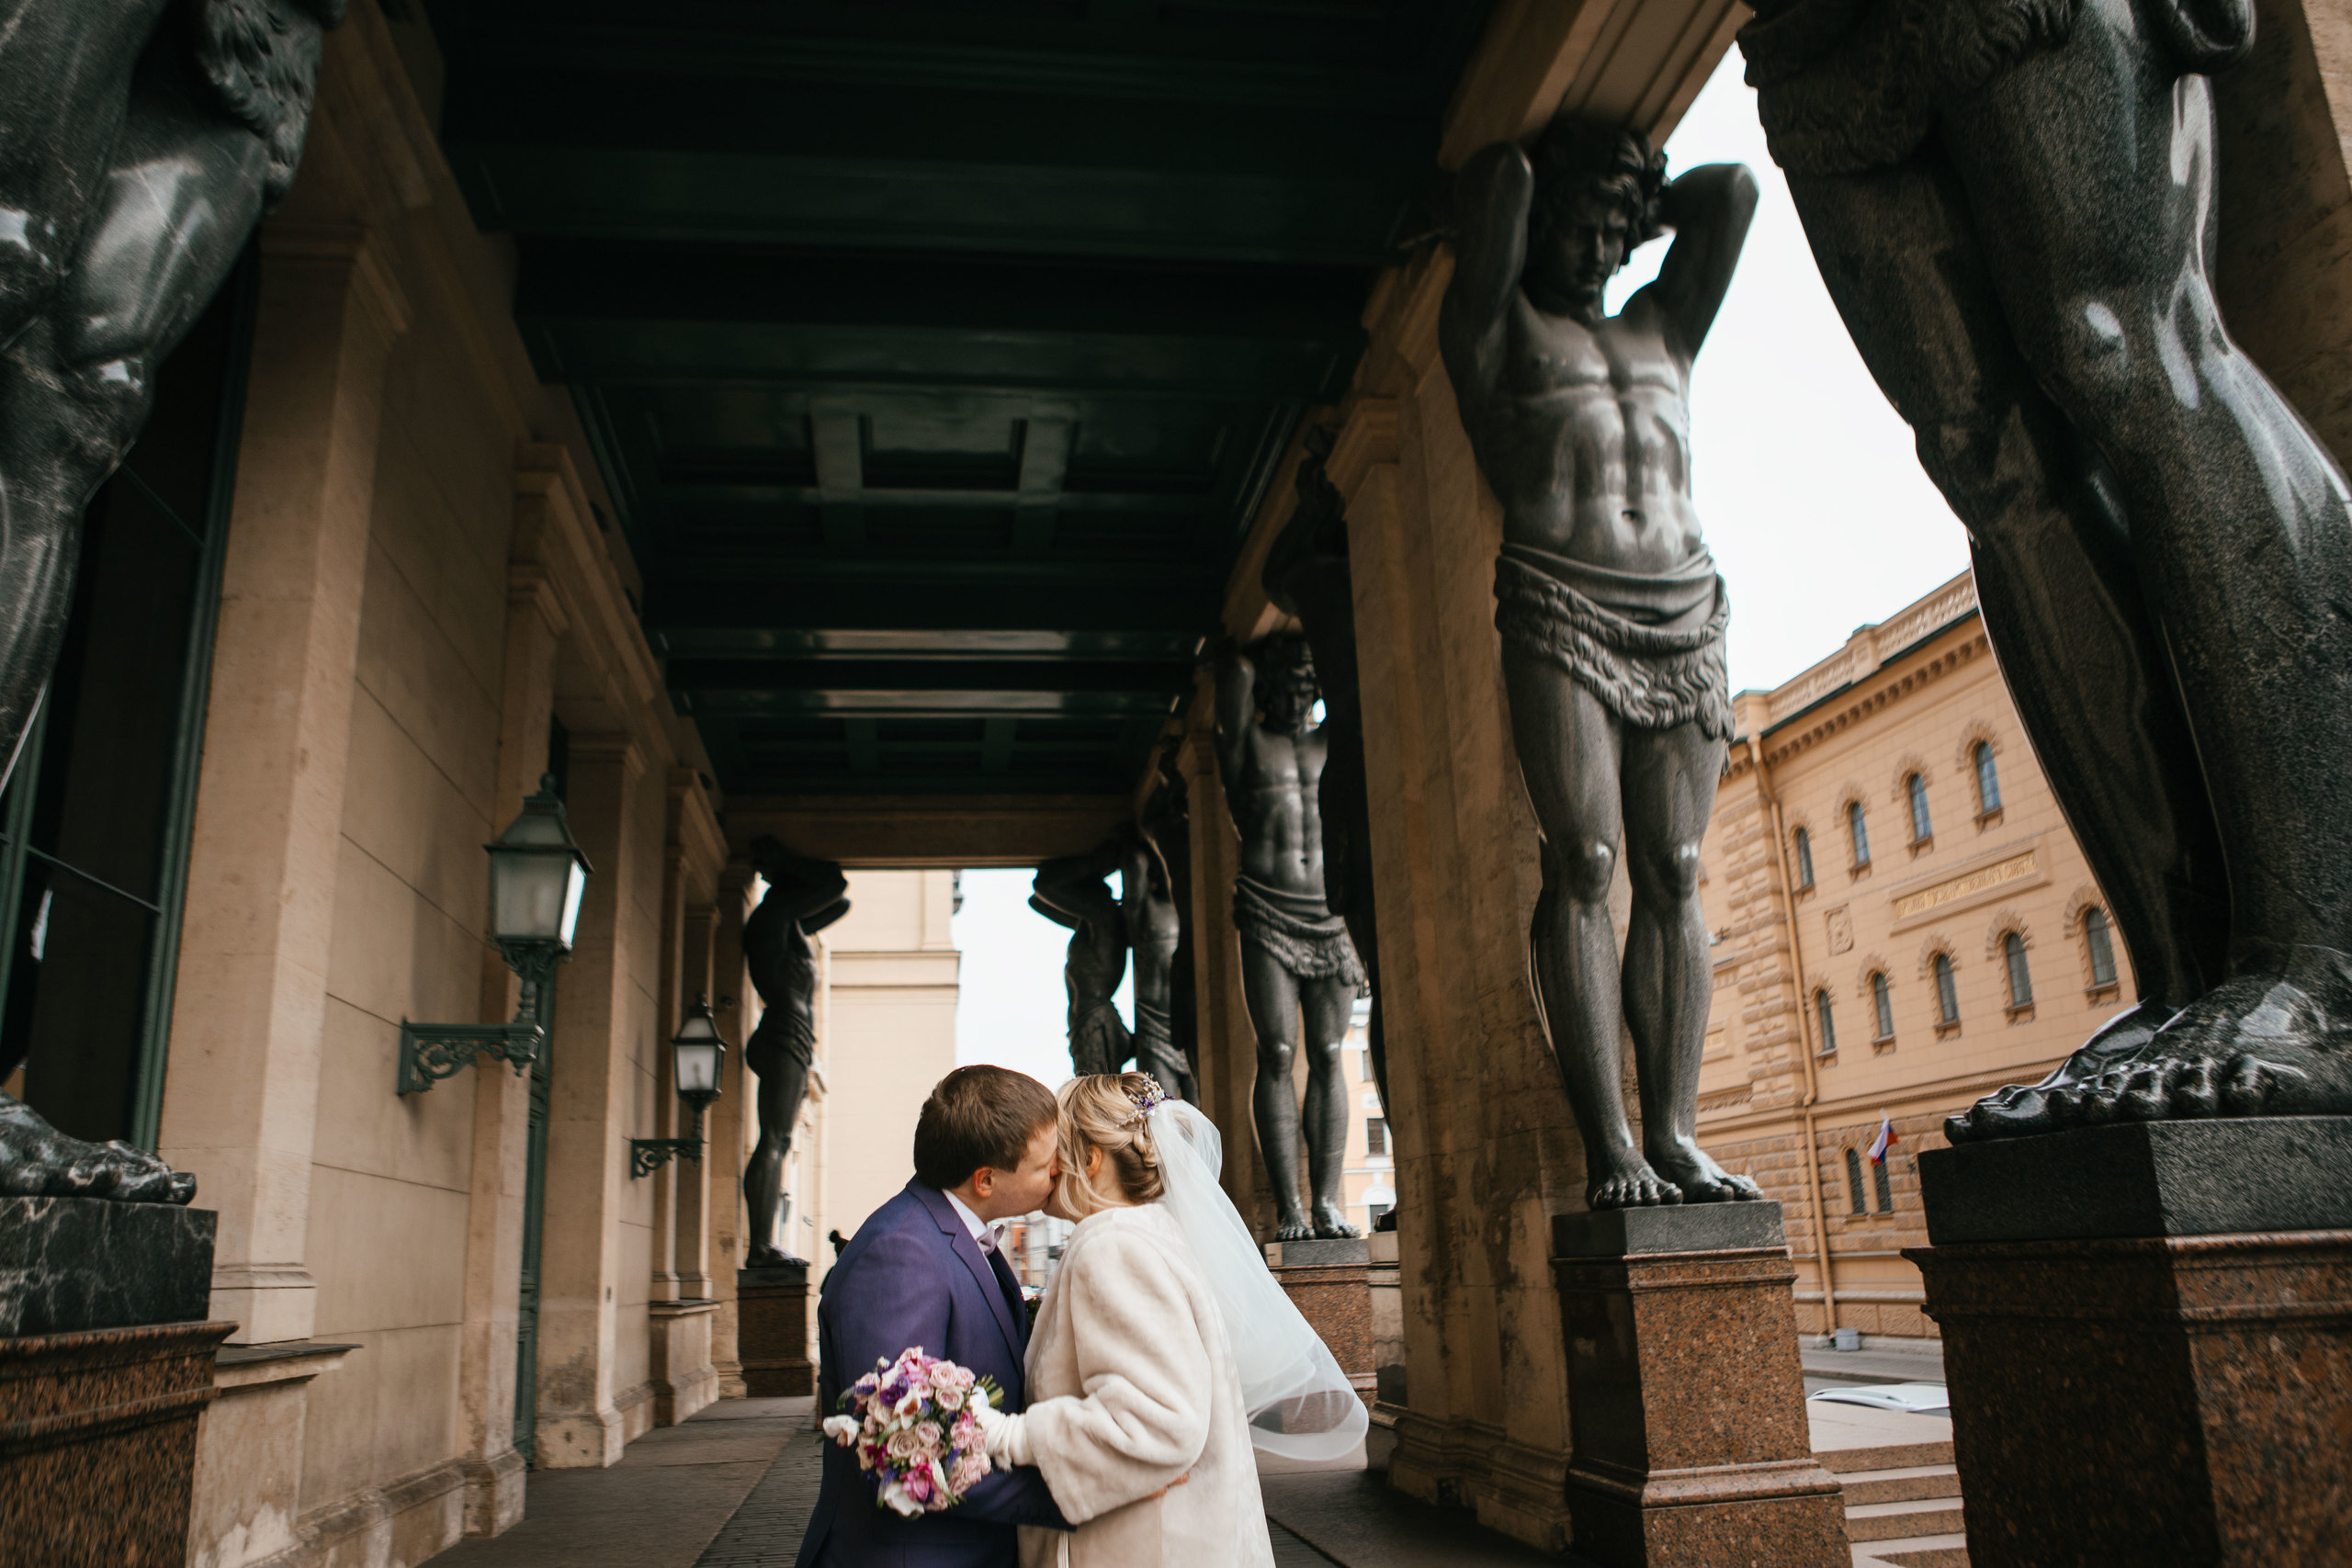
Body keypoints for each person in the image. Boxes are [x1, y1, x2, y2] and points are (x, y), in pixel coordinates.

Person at [1741, 0, 2352, 1133]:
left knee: (2124, 341)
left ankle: (2320, 968)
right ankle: (2181, 978)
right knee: (1987, 461)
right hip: (1808, 30)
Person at [1440, 118, 1764, 1209]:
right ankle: (1611, 1146)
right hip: (1559, 599)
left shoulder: (1662, 329)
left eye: (1608, 233)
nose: (1592, 250)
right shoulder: (1495, 331)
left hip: (1686, 607)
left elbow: (1730, 195)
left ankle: (1673, 1133)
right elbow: (1499, 176)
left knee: (1672, 869)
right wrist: (1566, 187)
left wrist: (1635, 200)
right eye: (1573, 229)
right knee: (1581, 857)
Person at [972, 1073, 1365, 1568]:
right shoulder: (1154, 1233)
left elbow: (1157, 1423)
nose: (1045, 1168)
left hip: (1144, 1544)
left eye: (1055, 1150)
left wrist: (1010, 1437)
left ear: (1090, 1160)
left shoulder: (1111, 1244)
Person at [796, 1066, 1070, 1567]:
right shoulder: (900, 1253)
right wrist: (1081, 1496)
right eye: (1046, 1164)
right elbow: (903, 1453)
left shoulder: (954, 1231)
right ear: (985, 1179)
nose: (1059, 1171)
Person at [1214, 636, 1363, 1239]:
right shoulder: (1247, 747)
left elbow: (1356, 683)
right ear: (1270, 685)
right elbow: (1231, 677)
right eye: (1291, 676)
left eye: (1311, 676)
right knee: (1276, 1051)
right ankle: (1291, 1206)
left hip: (1331, 915)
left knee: (1328, 1053)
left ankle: (1325, 1201)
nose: (1303, 687)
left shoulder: (1335, 742)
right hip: (1268, 910)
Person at [743, 840, 851, 1265]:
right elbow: (835, 883)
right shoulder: (774, 916)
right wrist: (788, 860)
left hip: (794, 1035)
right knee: (775, 1139)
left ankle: (761, 1244)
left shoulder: (793, 924)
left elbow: (838, 901)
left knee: (780, 1139)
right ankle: (758, 1247)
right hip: (784, 1031)